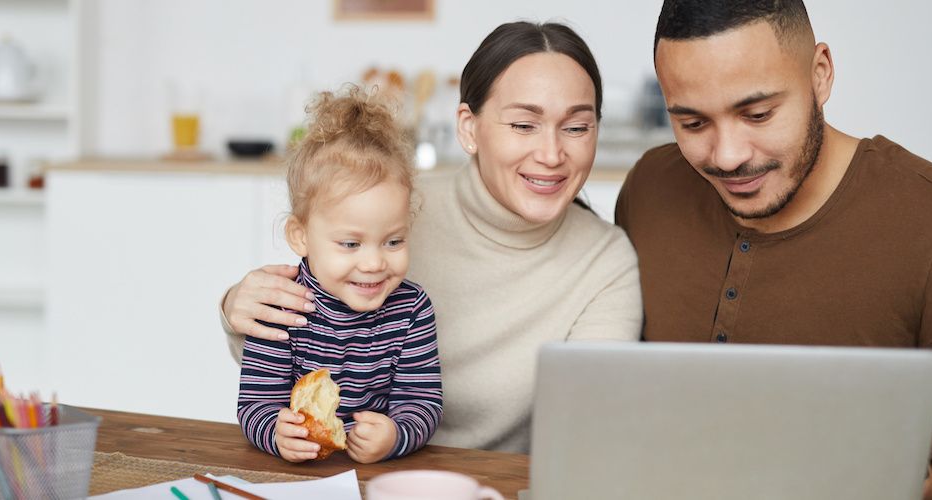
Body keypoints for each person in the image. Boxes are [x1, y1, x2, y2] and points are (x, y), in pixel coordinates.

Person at [615, 1, 932, 498]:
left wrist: (881, 475)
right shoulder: (649, 189)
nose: (727, 156)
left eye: (758, 113)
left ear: (820, 75)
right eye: (693, 123)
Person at [223, 22, 643, 453]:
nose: (552, 154)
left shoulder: (605, 262)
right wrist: (236, 305)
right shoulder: (391, 210)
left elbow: (590, 428)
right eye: (523, 125)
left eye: (576, 128)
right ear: (468, 127)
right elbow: (289, 358)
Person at [236, 86, 442, 464]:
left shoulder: (412, 309)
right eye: (351, 244)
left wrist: (395, 435)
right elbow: (255, 404)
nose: (374, 263)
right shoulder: (282, 306)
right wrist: (276, 433)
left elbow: (423, 403)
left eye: (393, 241)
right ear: (301, 236)